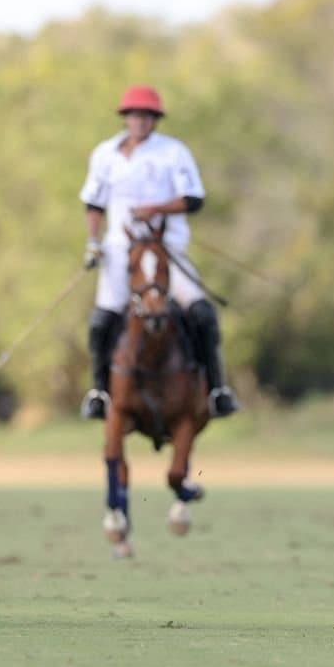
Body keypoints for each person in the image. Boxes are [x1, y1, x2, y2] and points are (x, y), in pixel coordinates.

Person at [79, 85, 240, 420]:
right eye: (135, 115)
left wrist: (157, 209)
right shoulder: (104, 154)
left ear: (155, 120)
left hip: (166, 251)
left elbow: (193, 199)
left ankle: (216, 390)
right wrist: (93, 242)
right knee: (100, 322)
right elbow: (94, 202)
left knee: (201, 313)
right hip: (119, 252)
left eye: (147, 116)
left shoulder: (173, 153)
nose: (141, 121)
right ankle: (99, 393)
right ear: (125, 117)